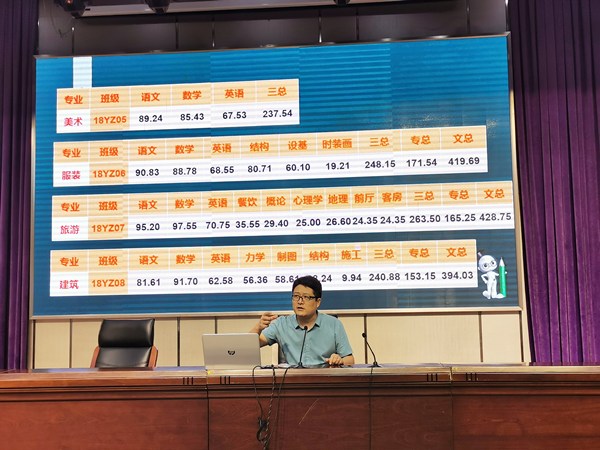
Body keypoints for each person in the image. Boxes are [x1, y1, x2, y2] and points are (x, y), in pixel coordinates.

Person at [250, 275, 354, 367]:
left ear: (318, 302)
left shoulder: (334, 324)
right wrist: (258, 328)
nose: (300, 301)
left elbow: (350, 360)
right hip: (292, 380)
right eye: (296, 296)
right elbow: (250, 345)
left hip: (325, 379)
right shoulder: (281, 324)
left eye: (306, 297)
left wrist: (339, 360)